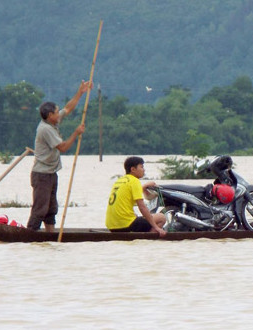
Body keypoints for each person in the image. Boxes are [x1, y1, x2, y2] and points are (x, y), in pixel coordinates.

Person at [27, 80, 92, 231]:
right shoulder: (45, 129)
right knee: (40, 209)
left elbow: (68, 108)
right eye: (56, 112)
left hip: (51, 173)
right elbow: (62, 147)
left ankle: (50, 236)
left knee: (51, 209)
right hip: (42, 175)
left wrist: (80, 92)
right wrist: (76, 133)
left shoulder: (53, 122)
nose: (59, 113)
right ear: (50, 115)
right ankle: (29, 234)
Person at [105, 156, 167, 237]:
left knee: (137, 217)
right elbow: (142, 207)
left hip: (111, 225)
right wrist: (157, 228)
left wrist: (144, 186)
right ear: (133, 169)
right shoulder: (135, 181)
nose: (144, 170)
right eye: (141, 167)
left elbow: (128, 197)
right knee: (161, 217)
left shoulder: (119, 181)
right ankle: (148, 240)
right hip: (126, 224)